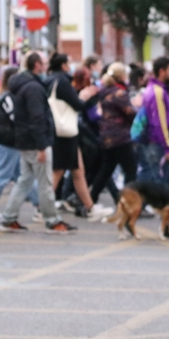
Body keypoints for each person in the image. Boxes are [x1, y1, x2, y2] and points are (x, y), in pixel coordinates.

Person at [0, 52, 75, 234]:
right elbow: (37, 118)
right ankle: (52, 220)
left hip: (25, 140)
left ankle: (8, 218)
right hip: (35, 142)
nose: (46, 66)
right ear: (37, 65)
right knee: (45, 183)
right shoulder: (33, 88)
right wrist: (42, 146)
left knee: (24, 181)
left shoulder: (22, 85)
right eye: (43, 63)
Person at [45, 53, 109, 220]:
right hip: (64, 132)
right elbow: (78, 104)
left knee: (78, 172)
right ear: (64, 66)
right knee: (58, 171)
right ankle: (42, 208)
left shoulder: (50, 80)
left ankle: (90, 208)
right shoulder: (62, 82)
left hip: (64, 132)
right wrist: (84, 96)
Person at [0, 66, 40, 218]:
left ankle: (39, 203)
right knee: (2, 173)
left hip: (6, 139)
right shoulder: (9, 98)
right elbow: (17, 119)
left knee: (23, 175)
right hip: (9, 141)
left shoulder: (4, 96)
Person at [89, 63, 138, 205]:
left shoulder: (104, 92)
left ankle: (91, 200)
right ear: (122, 76)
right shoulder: (120, 93)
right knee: (131, 171)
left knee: (105, 170)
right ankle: (128, 203)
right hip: (121, 137)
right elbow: (130, 114)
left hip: (107, 137)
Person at [139, 57, 169, 184]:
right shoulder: (158, 92)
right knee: (159, 182)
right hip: (159, 144)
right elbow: (160, 123)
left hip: (155, 143)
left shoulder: (154, 89)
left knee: (152, 178)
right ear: (162, 71)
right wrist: (168, 149)